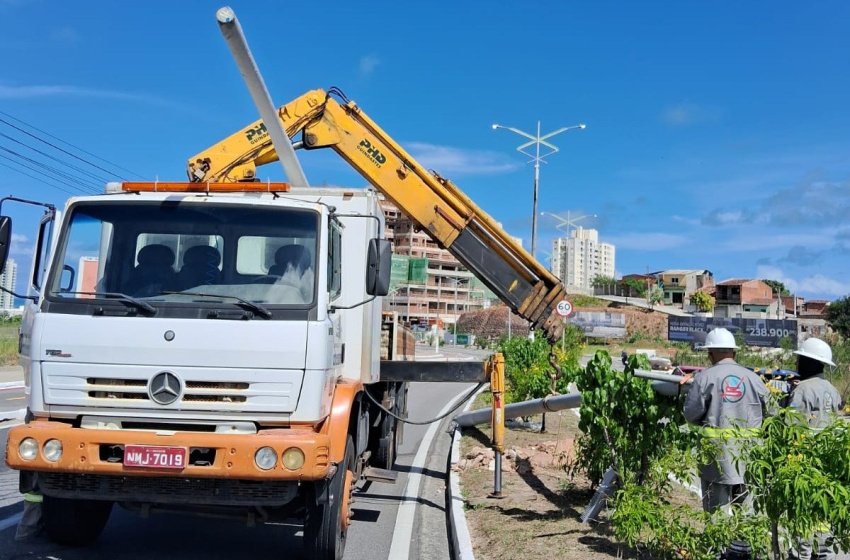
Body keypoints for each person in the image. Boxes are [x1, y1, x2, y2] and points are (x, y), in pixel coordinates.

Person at [683, 328, 770, 515]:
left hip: (716, 458)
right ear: (734, 353)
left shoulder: (704, 378)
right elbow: (772, 415)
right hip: (749, 457)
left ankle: (719, 537)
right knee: (747, 516)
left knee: (717, 516)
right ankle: (744, 536)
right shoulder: (755, 379)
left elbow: (690, 414)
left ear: (711, 354)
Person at [787, 337, 843, 560]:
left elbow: (791, 427)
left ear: (809, 362)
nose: (798, 363)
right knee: (822, 508)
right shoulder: (833, 390)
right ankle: (822, 552)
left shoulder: (802, 390)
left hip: (804, 460)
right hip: (828, 460)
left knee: (803, 507)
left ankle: (802, 553)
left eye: (801, 359)